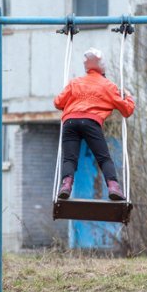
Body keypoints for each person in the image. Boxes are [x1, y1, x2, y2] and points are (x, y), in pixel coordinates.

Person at [54, 48, 135, 201]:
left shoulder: (75, 82)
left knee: (69, 159)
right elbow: (127, 111)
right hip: (91, 122)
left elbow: (58, 103)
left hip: (70, 122)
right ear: (103, 71)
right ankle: (113, 187)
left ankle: (66, 185)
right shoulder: (108, 86)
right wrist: (129, 97)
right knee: (103, 158)